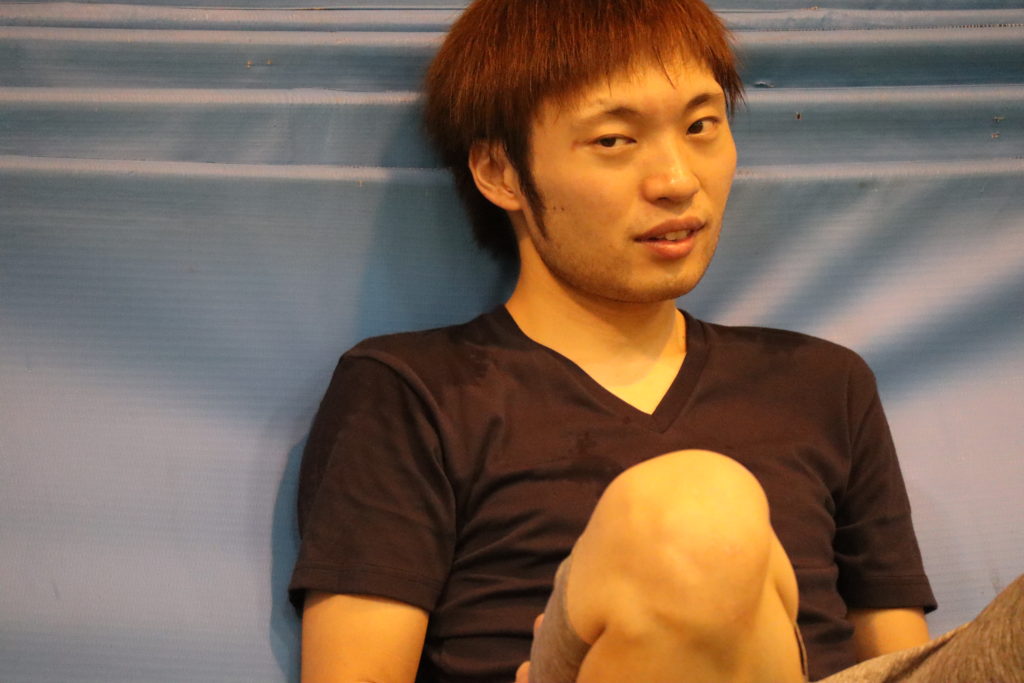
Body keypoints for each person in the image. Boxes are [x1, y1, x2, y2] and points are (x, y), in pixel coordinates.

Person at [288, 1, 1021, 681]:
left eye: (701, 127)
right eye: (614, 140)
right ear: (500, 171)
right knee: (697, 509)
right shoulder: (413, 390)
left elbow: (902, 664)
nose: (676, 180)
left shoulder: (825, 382)